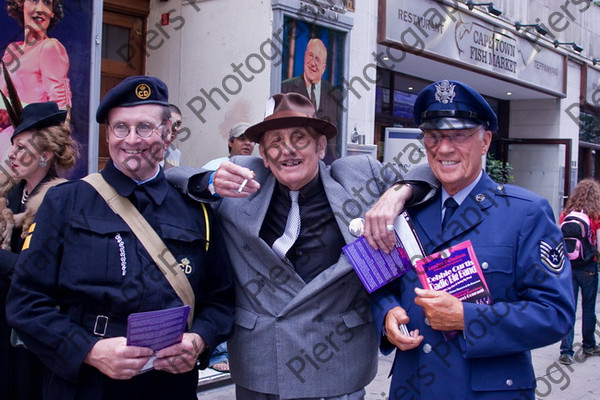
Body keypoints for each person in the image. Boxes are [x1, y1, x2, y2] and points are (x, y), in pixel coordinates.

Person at [168, 92, 433, 400]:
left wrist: (397, 193)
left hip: (338, 364)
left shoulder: (358, 175)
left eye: (299, 138)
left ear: (321, 147)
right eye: (275, 142)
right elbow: (170, 175)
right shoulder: (243, 179)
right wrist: (208, 181)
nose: (287, 150)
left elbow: (430, 171)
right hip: (262, 365)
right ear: (264, 156)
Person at [6, 76, 235, 400]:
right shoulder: (65, 203)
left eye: (145, 127)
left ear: (167, 132)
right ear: (108, 133)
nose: (132, 140)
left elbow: (221, 300)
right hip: (84, 386)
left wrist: (199, 339)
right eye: (120, 128)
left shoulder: (197, 212)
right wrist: (89, 350)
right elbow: (25, 304)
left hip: (169, 388)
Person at [368, 80, 575, 400]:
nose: (444, 148)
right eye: (434, 137)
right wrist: (388, 313)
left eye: (459, 135)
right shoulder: (406, 212)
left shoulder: (525, 214)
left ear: (485, 141)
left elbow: (555, 314)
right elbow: (384, 284)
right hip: (414, 387)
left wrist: (467, 318)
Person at [0, 100, 78, 400]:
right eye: (13, 146)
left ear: (45, 155)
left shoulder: (61, 199)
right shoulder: (11, 195)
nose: (12, 155)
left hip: (34, 328)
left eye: (22, 148)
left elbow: (44, 269)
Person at [1, 0, 71, 155]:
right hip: (8, 138)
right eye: (33, 0)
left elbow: (60, 103)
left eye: (47, 3)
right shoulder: (12, 50)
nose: (40, 9)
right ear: (21, 5)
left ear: (53, 12)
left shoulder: (50, 47)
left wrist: (57, 147)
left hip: (33, 142)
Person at [558, 178, 600, 365]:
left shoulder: (565, 213)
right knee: (589, 308)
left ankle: (566, 351)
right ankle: (589, 345)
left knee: (569, 308)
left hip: (568, 267)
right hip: (588, 266)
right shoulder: (595, 215)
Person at [282, 38, 340, 163]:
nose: (313, 63)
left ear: (324, 68)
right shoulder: (285, 88)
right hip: (294, 161)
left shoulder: (334, 94)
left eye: (318, 60)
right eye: (310, 56)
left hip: (326, 164)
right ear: (304, 57)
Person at [161, 103, 183, 169]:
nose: (177, 128)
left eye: (179, 124)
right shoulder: (146, 151)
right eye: (174, 123)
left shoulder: (176, 154)